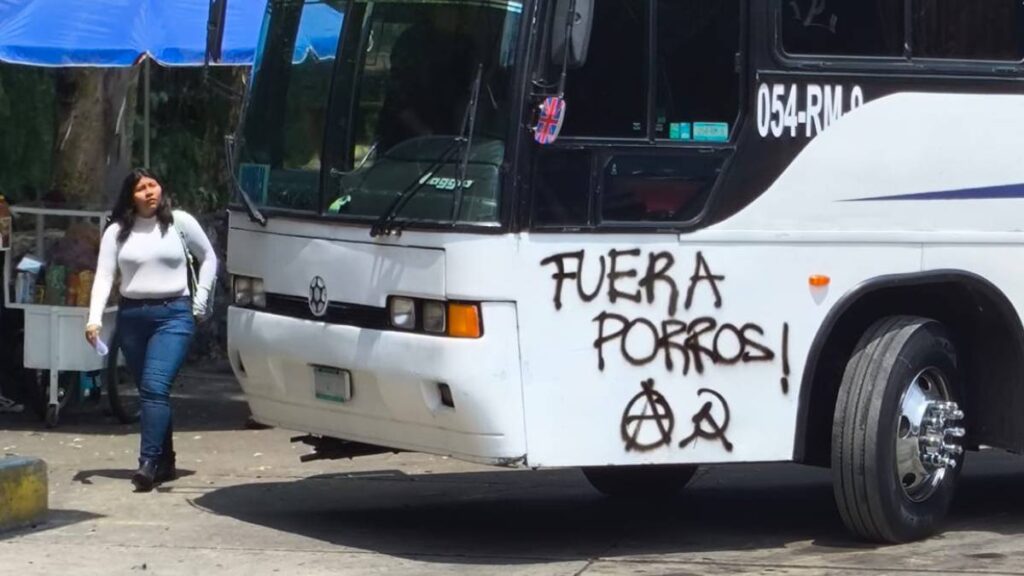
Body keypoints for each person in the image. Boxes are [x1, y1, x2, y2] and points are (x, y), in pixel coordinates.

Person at [85, 168, 217, 492]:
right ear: (131, 195)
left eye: (153, 185)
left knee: (155, 386)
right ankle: (166, 460)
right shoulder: (116, 231)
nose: (149, 192)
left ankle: (147, 463)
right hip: (132, 317)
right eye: (141, 188)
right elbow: (104, 276)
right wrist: (94, 319)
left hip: (173, 315)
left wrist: (200, 298)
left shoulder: (180, 223)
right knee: (151, 392)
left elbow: (209, 257)